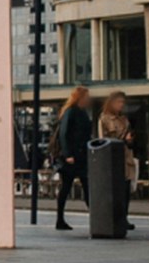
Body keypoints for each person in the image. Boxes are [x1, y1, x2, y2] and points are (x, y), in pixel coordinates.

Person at [52, 86, 93, 231]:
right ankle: (60, 219)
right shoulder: (72, 112)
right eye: (86, 97)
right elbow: (64, 134)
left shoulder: (82, 112)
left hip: (81, 156)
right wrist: (68, 154)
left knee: (86, 186)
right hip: (72, 157)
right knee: (68, 187)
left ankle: (94, 217)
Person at [96, 91, 138, 231]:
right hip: (114, 159)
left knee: (125, 191)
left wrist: (130, 140)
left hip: (126, 159)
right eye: (119, 102)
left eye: (123, 102)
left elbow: (131, 143)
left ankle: (124, 217)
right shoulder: (104, 119)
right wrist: (121, 140)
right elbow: (104, 141)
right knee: (116, 191)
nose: (121, 105)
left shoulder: (125, 120)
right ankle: (115, 218)